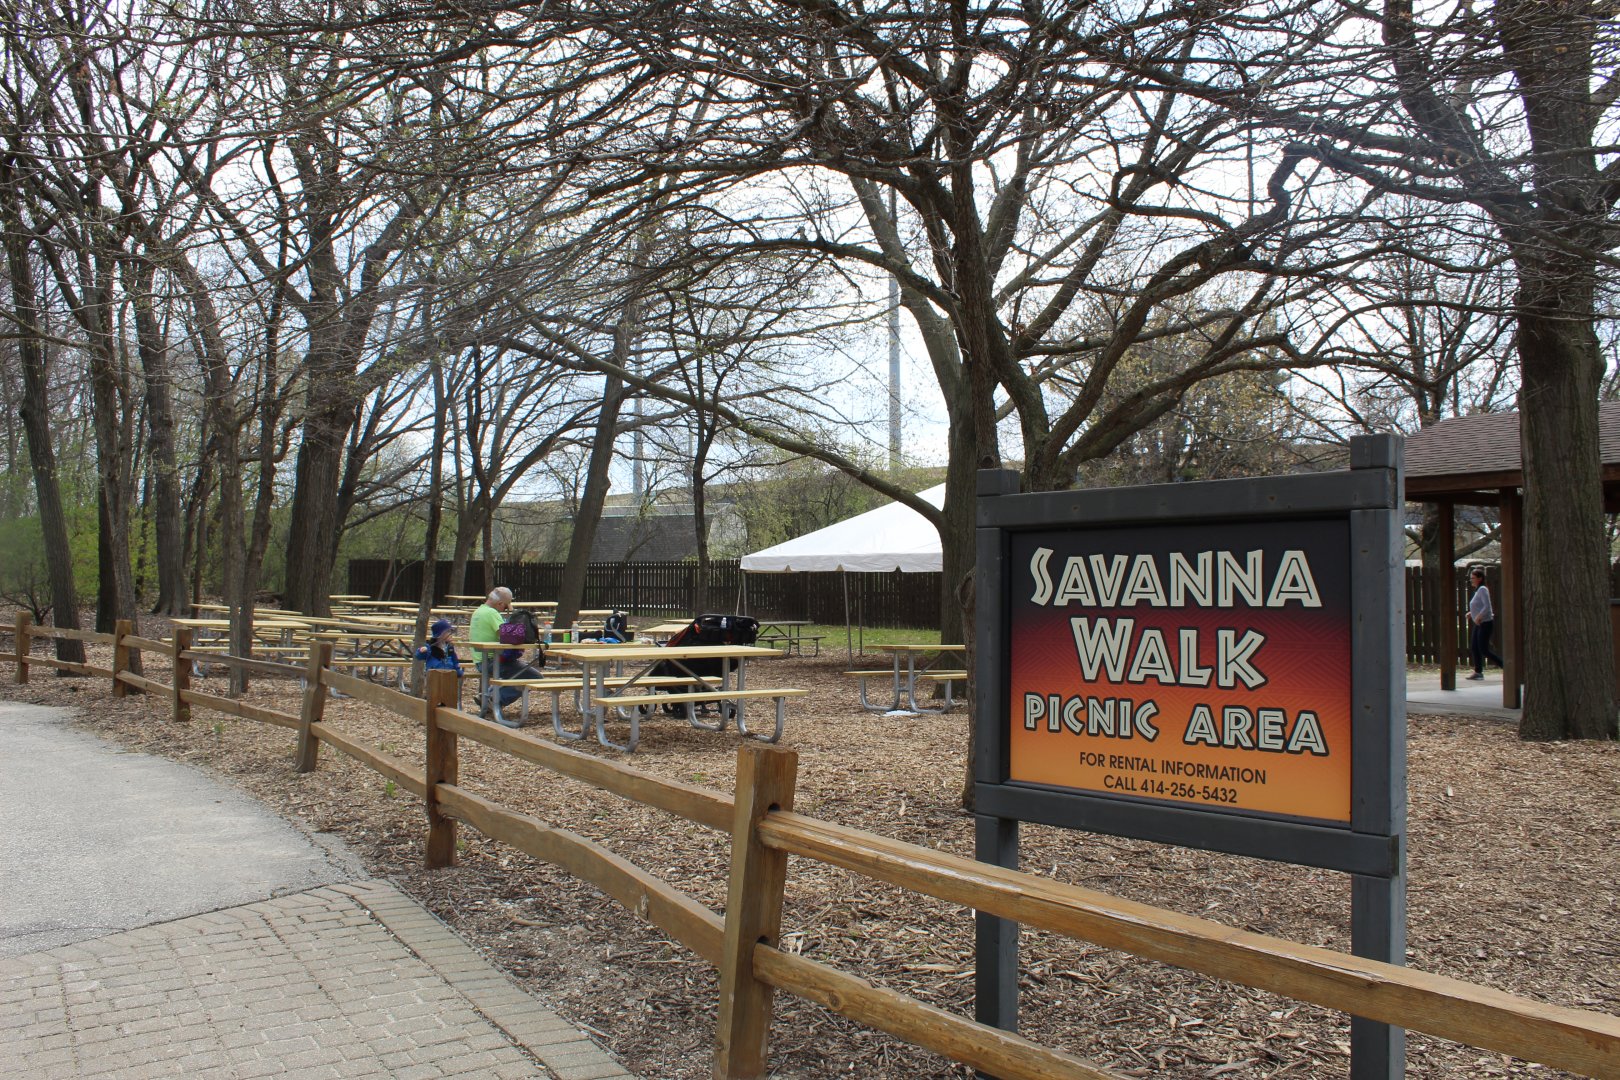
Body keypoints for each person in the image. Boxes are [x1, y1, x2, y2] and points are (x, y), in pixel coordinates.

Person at [468, 587, 543, 726]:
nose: (506, 609)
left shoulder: (478, 611)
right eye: (506, 605)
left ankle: (489, 696)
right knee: (534, 677)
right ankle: (495, 699)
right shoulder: (492, 613)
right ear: (500, 604)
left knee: (518, 673)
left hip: (480, 660)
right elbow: (508, 635)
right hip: (492, 661)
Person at [1466, 566, 1503, 680]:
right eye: (1471, 578)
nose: (1471, 580)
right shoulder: (1478, 590)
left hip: (1485, 623)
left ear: (1480, 578)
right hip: (1479, 624)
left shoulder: (1483, 589)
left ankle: (1506, 667)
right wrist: (1471, 613)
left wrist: (1479, 616)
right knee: (1474, 647)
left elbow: (1487, 606)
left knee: (1484, 649)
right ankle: (1478, 672)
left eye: (1473, 578)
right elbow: (1479, 605)